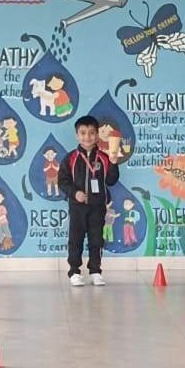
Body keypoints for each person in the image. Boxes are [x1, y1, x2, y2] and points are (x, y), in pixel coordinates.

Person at [58, 115, 120, 287]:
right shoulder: (70, 158)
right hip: (77, 207)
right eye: (83, 133)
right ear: (77, 135)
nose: (87, 137)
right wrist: (74, 193)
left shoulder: (104, 158)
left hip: (97, 207)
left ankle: (95, 271)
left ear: (97, 135)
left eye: (92, 133)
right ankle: (74, 272)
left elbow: (111, 181)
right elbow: (62, 181)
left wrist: (114, 164)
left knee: (96, 240)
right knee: (75, 239)